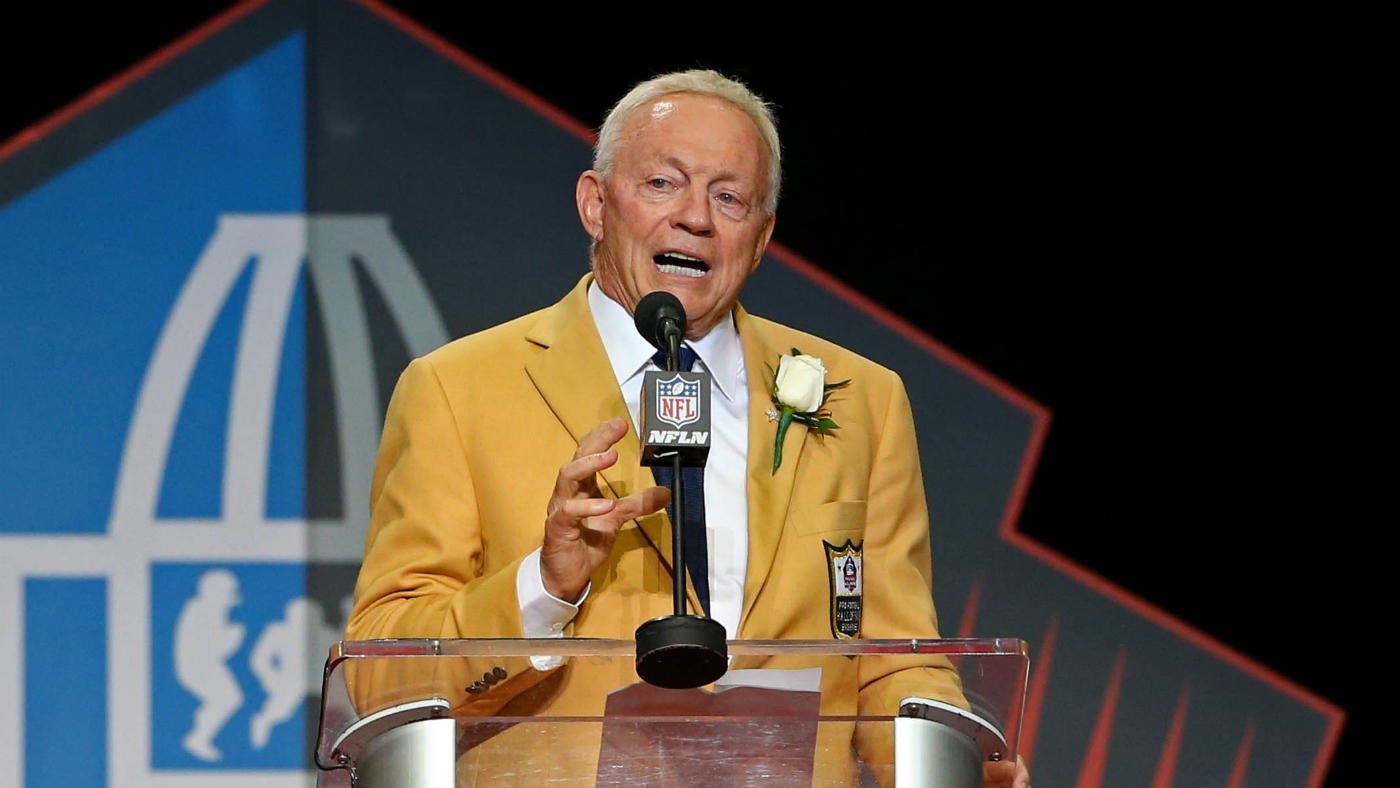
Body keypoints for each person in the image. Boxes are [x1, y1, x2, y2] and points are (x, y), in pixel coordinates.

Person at [345, 68, 1029, 787]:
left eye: (728, 197)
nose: (696, 218)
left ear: (760, 238)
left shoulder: (863, 400)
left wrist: (949, 763)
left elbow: (895, 661)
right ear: (595, 204)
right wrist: (542, 588)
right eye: (663, 184)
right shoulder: (458, 390)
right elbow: (382, 676)